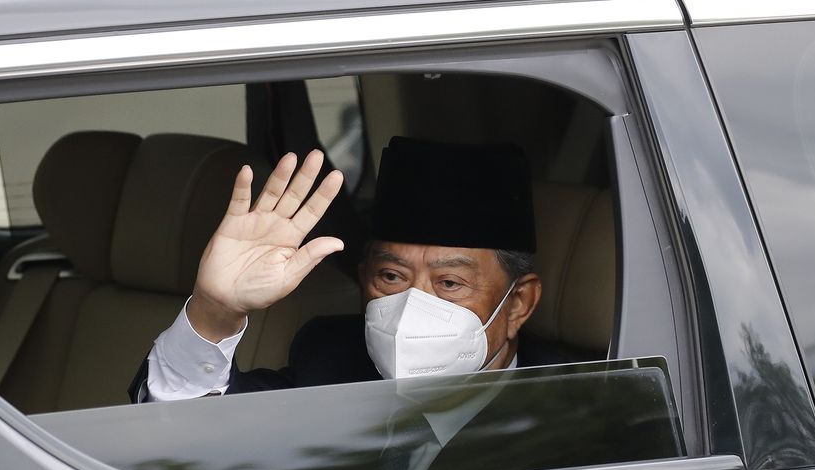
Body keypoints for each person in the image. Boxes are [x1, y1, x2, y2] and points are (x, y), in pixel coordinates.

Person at [128, 136, 570, 403]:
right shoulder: (331, 361)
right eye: (391, 277)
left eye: (450, 283)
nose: (413, 304)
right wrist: (214, 312)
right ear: (363, 282)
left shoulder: (581, 409)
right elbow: (193, 441)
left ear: (518, 304)